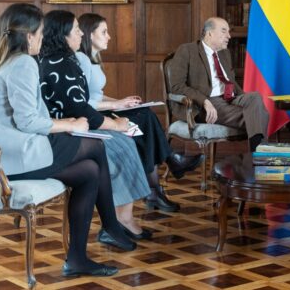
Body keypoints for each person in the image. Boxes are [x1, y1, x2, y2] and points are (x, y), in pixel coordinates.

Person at [0, 3, 133, 278]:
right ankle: (109, 226)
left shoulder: (4, 60)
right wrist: (70, 124)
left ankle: (79, 257)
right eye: (39, 33)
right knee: (95, 146)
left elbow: (26, 117)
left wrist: (67, 126)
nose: (41, 37)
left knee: (89, 171)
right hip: (2, 159)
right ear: (28, 36)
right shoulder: (23, 62)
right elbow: (27, 121)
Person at [77, 12, 200, 212]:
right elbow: (83, 103)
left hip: (102, 110)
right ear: (90, 34)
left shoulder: (92, 58)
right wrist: (116, 106)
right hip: (92, 118)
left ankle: (157, 186)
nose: (109, 36)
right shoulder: (80, 59)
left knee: (145, 118)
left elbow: (96, 95)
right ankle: (165, 173)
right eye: (104, 32)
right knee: (145, 121)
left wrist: (120, 101)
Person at [168, 17, 269, 151]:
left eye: (228, 32)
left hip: (230, 99)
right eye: (224, 31)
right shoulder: (187, 51)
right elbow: (177, 86)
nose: (229, 36)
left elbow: (231, 82)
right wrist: (204, 101)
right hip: (208, 103)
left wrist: (245, 100)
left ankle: (258, 153)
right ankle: (259, 153)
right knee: (262, 114)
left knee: (255, 97)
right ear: (209, 33)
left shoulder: (224, 53)